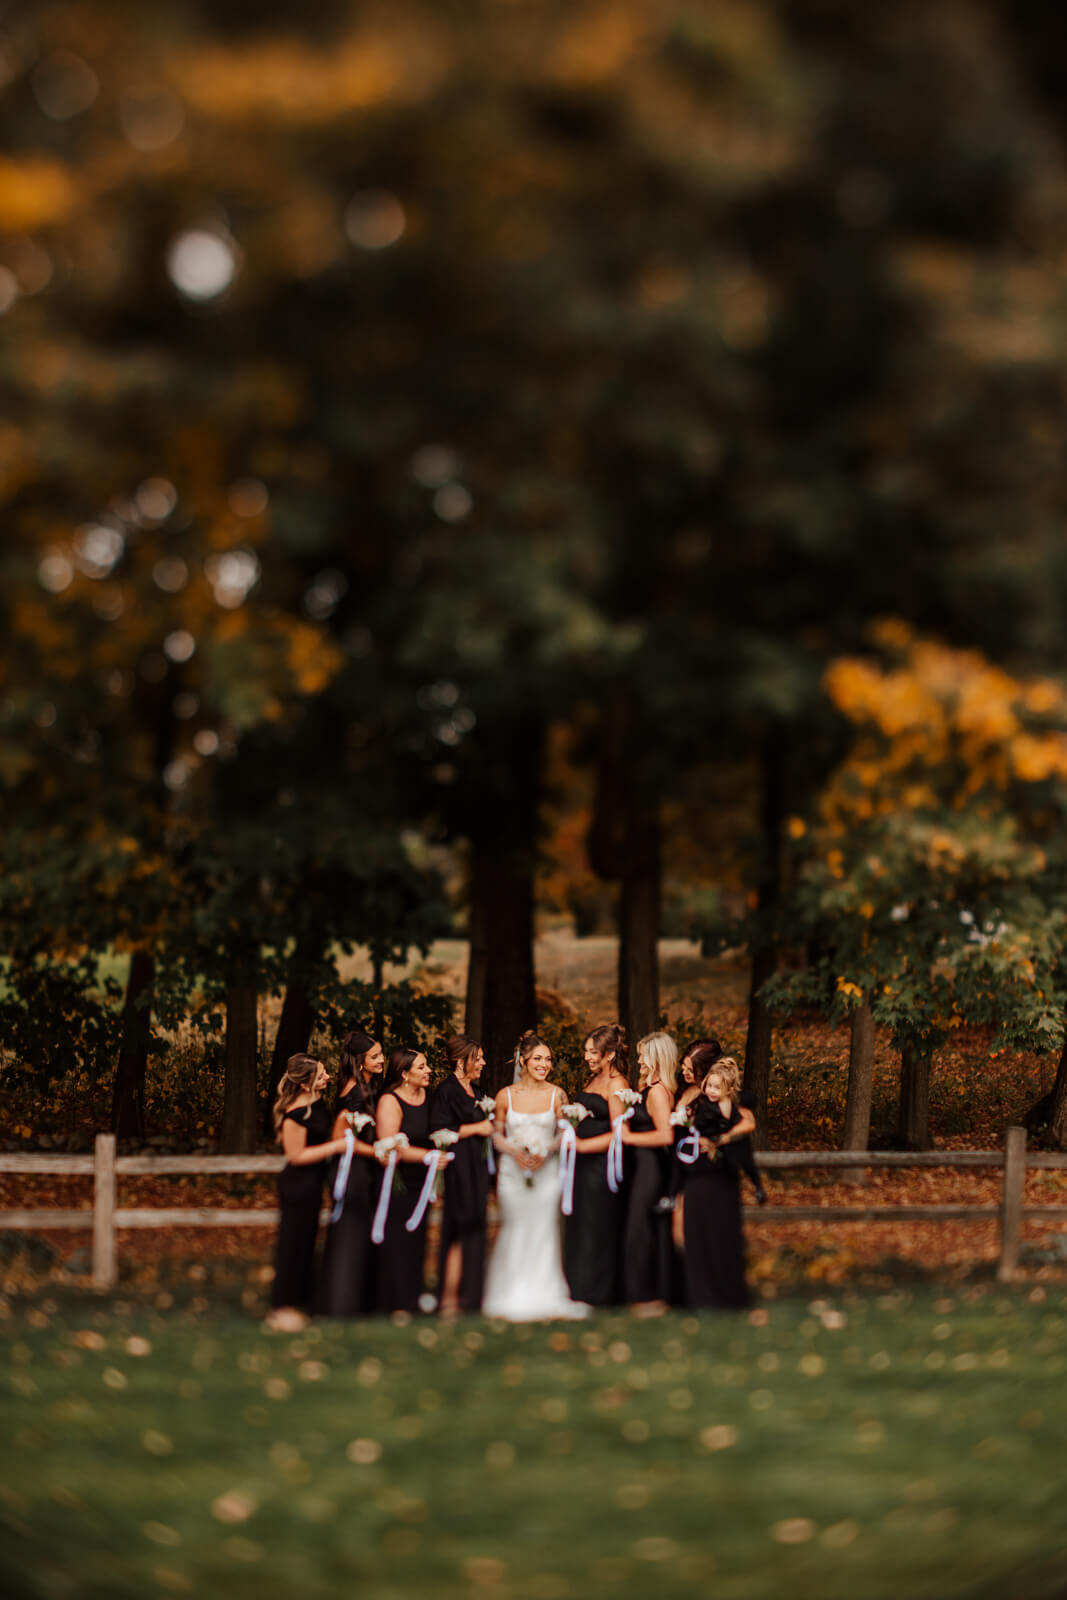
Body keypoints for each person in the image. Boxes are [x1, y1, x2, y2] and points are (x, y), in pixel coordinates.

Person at [482, 1031, 588, 1321]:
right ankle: (510, 1292)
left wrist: (546, 1151)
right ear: (524, 1061)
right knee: (515, 1227)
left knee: (544, 1229)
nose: (545, 1064)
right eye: (538, 1059)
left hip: (546, 1174)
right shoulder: (505, 1095)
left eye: (549, 1059)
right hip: (513, 1174)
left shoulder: (557, 1094)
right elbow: (496, 1135)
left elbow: (564, 1133)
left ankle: (547, 1292)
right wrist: (515, 1152)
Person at [269, 1053, 350, 1328]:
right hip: (297, 1185)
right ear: (306, 1084)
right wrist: (335, 1147)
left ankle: (302, 1300)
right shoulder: (295, 1113)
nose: (327, 1077)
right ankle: (282, 1306)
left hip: (313, 1184)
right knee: (292, 1243)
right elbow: (296, 1156)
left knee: (306, 1242)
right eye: (321, 1074)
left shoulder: (317, 1103)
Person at [374, 1048, 453, 1315]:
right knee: (398, 1240)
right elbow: (390, 1146)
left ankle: (412, 1297)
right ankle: (394, 1302)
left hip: (423, 1180)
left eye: (427, 1065)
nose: (428, 1070)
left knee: (417, 1239)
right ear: (405, 1074)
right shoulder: (389, 1100)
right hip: (398, 1182)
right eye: (421, 1067)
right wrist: (427, 1156)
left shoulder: (429, 1098)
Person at [680, 1052, 755, 1310]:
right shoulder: (699, 1105)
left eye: (716, 1086)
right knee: (699, 1233)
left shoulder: (737, 1108)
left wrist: (721, 1139)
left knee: (724, 1234)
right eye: (709, 1085)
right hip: (699, 1175)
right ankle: (701, 1295)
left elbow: (747, 1124)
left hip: (724, 1176)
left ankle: (727, 1295)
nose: (711, 1090)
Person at [562, 1023, 629, 1307]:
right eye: (586, 1051)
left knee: (596, 1226)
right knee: (579, 1225)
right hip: (579, 1167)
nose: (588, 1057)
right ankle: (577, 1288)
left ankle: (597, 1293)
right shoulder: (591, 1081)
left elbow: (619, 1135)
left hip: (601, 1167)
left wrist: (581, 1146)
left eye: (593, 1052)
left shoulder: (617, 1085)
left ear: (610, 1054)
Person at [318, 1031, 382, 1317]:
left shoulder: (369, 1087)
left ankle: (360, 1299)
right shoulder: (352, 1092)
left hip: (364, 1169)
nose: (382, 1060)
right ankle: (340, 1303)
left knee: (362, 1235)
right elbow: (340, 1139)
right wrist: (376, 1151)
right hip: (350, 1170)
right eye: (375, 1057)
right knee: (349, 1234)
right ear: (361, 1061)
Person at [429, 1035, 494, 1316]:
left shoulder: (478, 1092)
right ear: (460, 1061)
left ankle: (472, 1296)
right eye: (477, 1058)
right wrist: (475, 1130)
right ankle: (449, 1297)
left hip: (477, 1168)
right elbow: (439, 1130)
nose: (482, 1062)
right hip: (457, 1168)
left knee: (477, 1226)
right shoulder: (446, 1092)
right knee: (458, 1227)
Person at [620, 1030, 678, 1314]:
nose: (639, 1060)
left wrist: (628, 1138)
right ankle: (643, 1291)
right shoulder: (649, 1089)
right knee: (639, 1228)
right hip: (642, 1166)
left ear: (656, 1059)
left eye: (643, 1056)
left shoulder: (657, 1093)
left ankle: (648, 1293)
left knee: (641, 1228)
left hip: (650, 1168)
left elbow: (666, 1136)